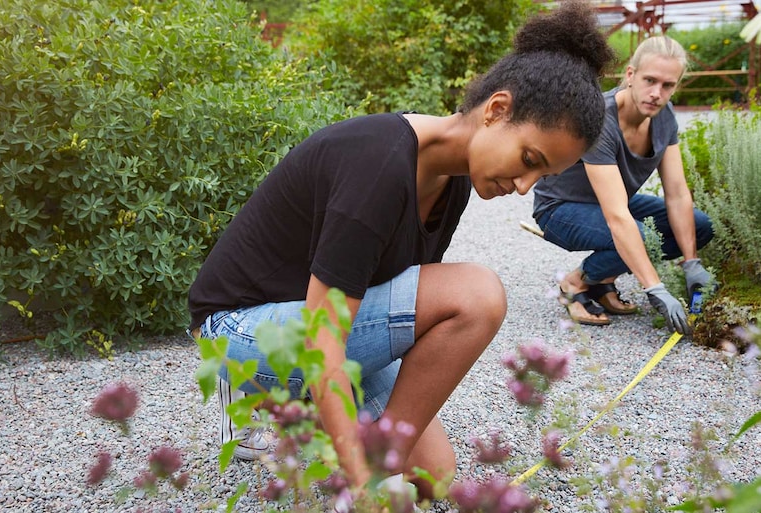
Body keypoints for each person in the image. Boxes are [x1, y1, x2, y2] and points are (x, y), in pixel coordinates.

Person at [187, 1, 615, 500]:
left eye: (542, 177)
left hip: (318, 325)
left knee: (433, 477)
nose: (524, 187)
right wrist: (368, 478)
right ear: (497, 110)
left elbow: (401, 313)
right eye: (528, 160)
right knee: (478, 293)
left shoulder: (451, 183)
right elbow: (322, 338)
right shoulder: (379, 163)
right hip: (237, 332)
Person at [532, 35, 714, 335]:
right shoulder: (599, 119)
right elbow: (618, 218)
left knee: (701, 225)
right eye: (650, 80)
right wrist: (655, 288)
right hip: (560, 209)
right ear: (630, 75)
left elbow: (678, 194)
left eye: (667, 85)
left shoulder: (664, 117)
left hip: (610, 205)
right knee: (639, 236)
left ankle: (599, 279)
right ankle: (576, 282)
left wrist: (691, 261)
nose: (657, 93)